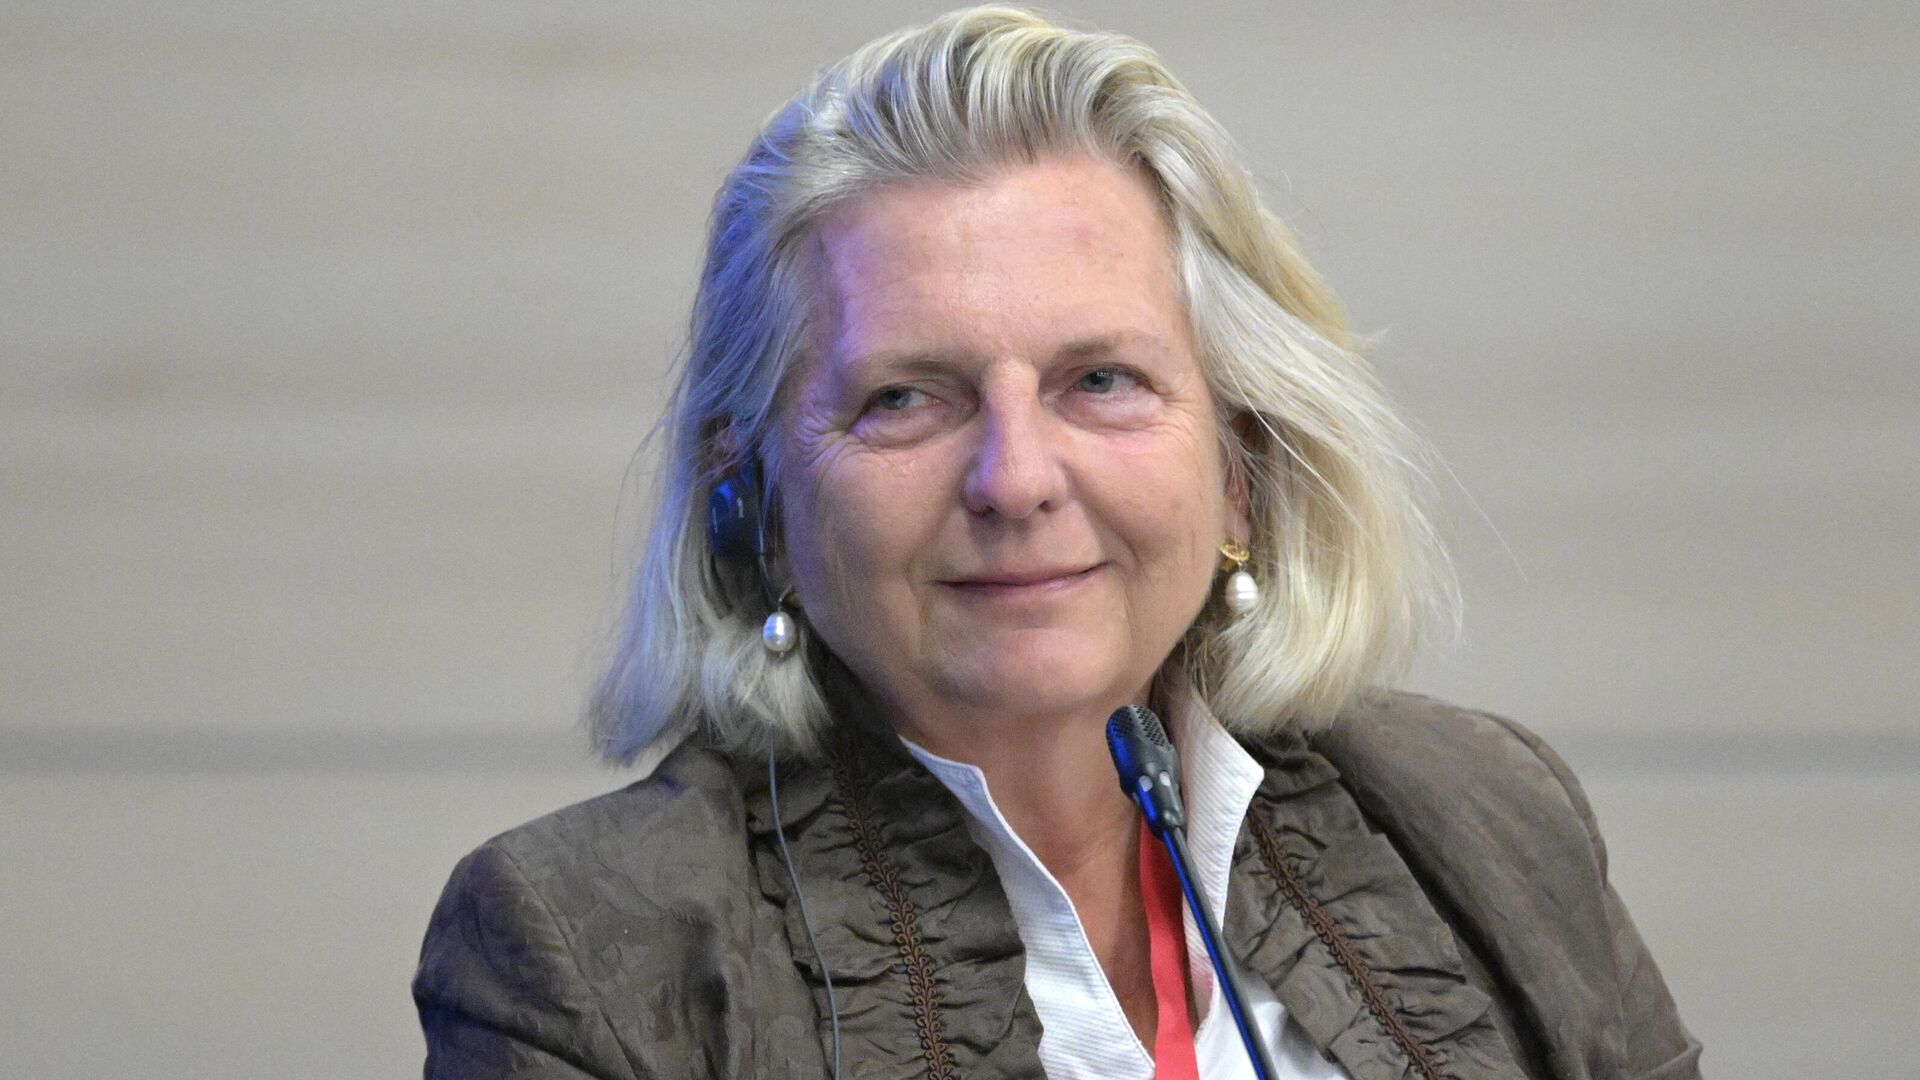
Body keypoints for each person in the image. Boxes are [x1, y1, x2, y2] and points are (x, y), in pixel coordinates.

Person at [413, 7, 1702, 1079]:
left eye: (1101, 380)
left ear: (1241, 466)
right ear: (751, 495)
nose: (1016, 479)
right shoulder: (581, 952)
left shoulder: (1484, 816)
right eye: (905, 398)